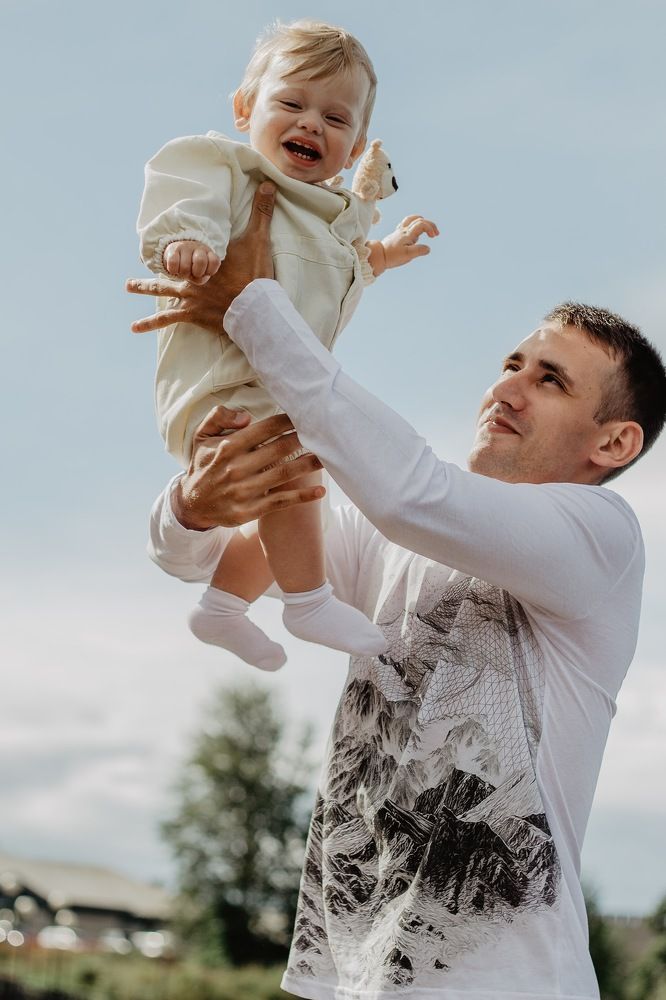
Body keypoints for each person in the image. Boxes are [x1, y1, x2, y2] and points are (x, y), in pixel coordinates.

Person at [127, 185, 666, 1000]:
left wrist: (258, 308)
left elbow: (410, 490)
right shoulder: (395, 538)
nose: (508, 388)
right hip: (349, 978)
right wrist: (192, 506)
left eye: (551, 380)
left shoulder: (601, 537)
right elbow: (210, 559)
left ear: (614, 442)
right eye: (511, 364)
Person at [136, 19, 438, 670]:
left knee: (297, 494)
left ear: (354, 148)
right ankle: (308, 602)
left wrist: (387, 253)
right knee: (294, 477)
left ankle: (222, 608)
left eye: (336, 118)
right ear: (246, 108)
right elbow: (186, 194)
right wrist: (187, 241)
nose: (311, 124)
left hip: (276, 389)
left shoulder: (328, 218)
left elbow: (347, 261)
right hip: (223, 380)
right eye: (292, 103)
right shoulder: (231, 171)